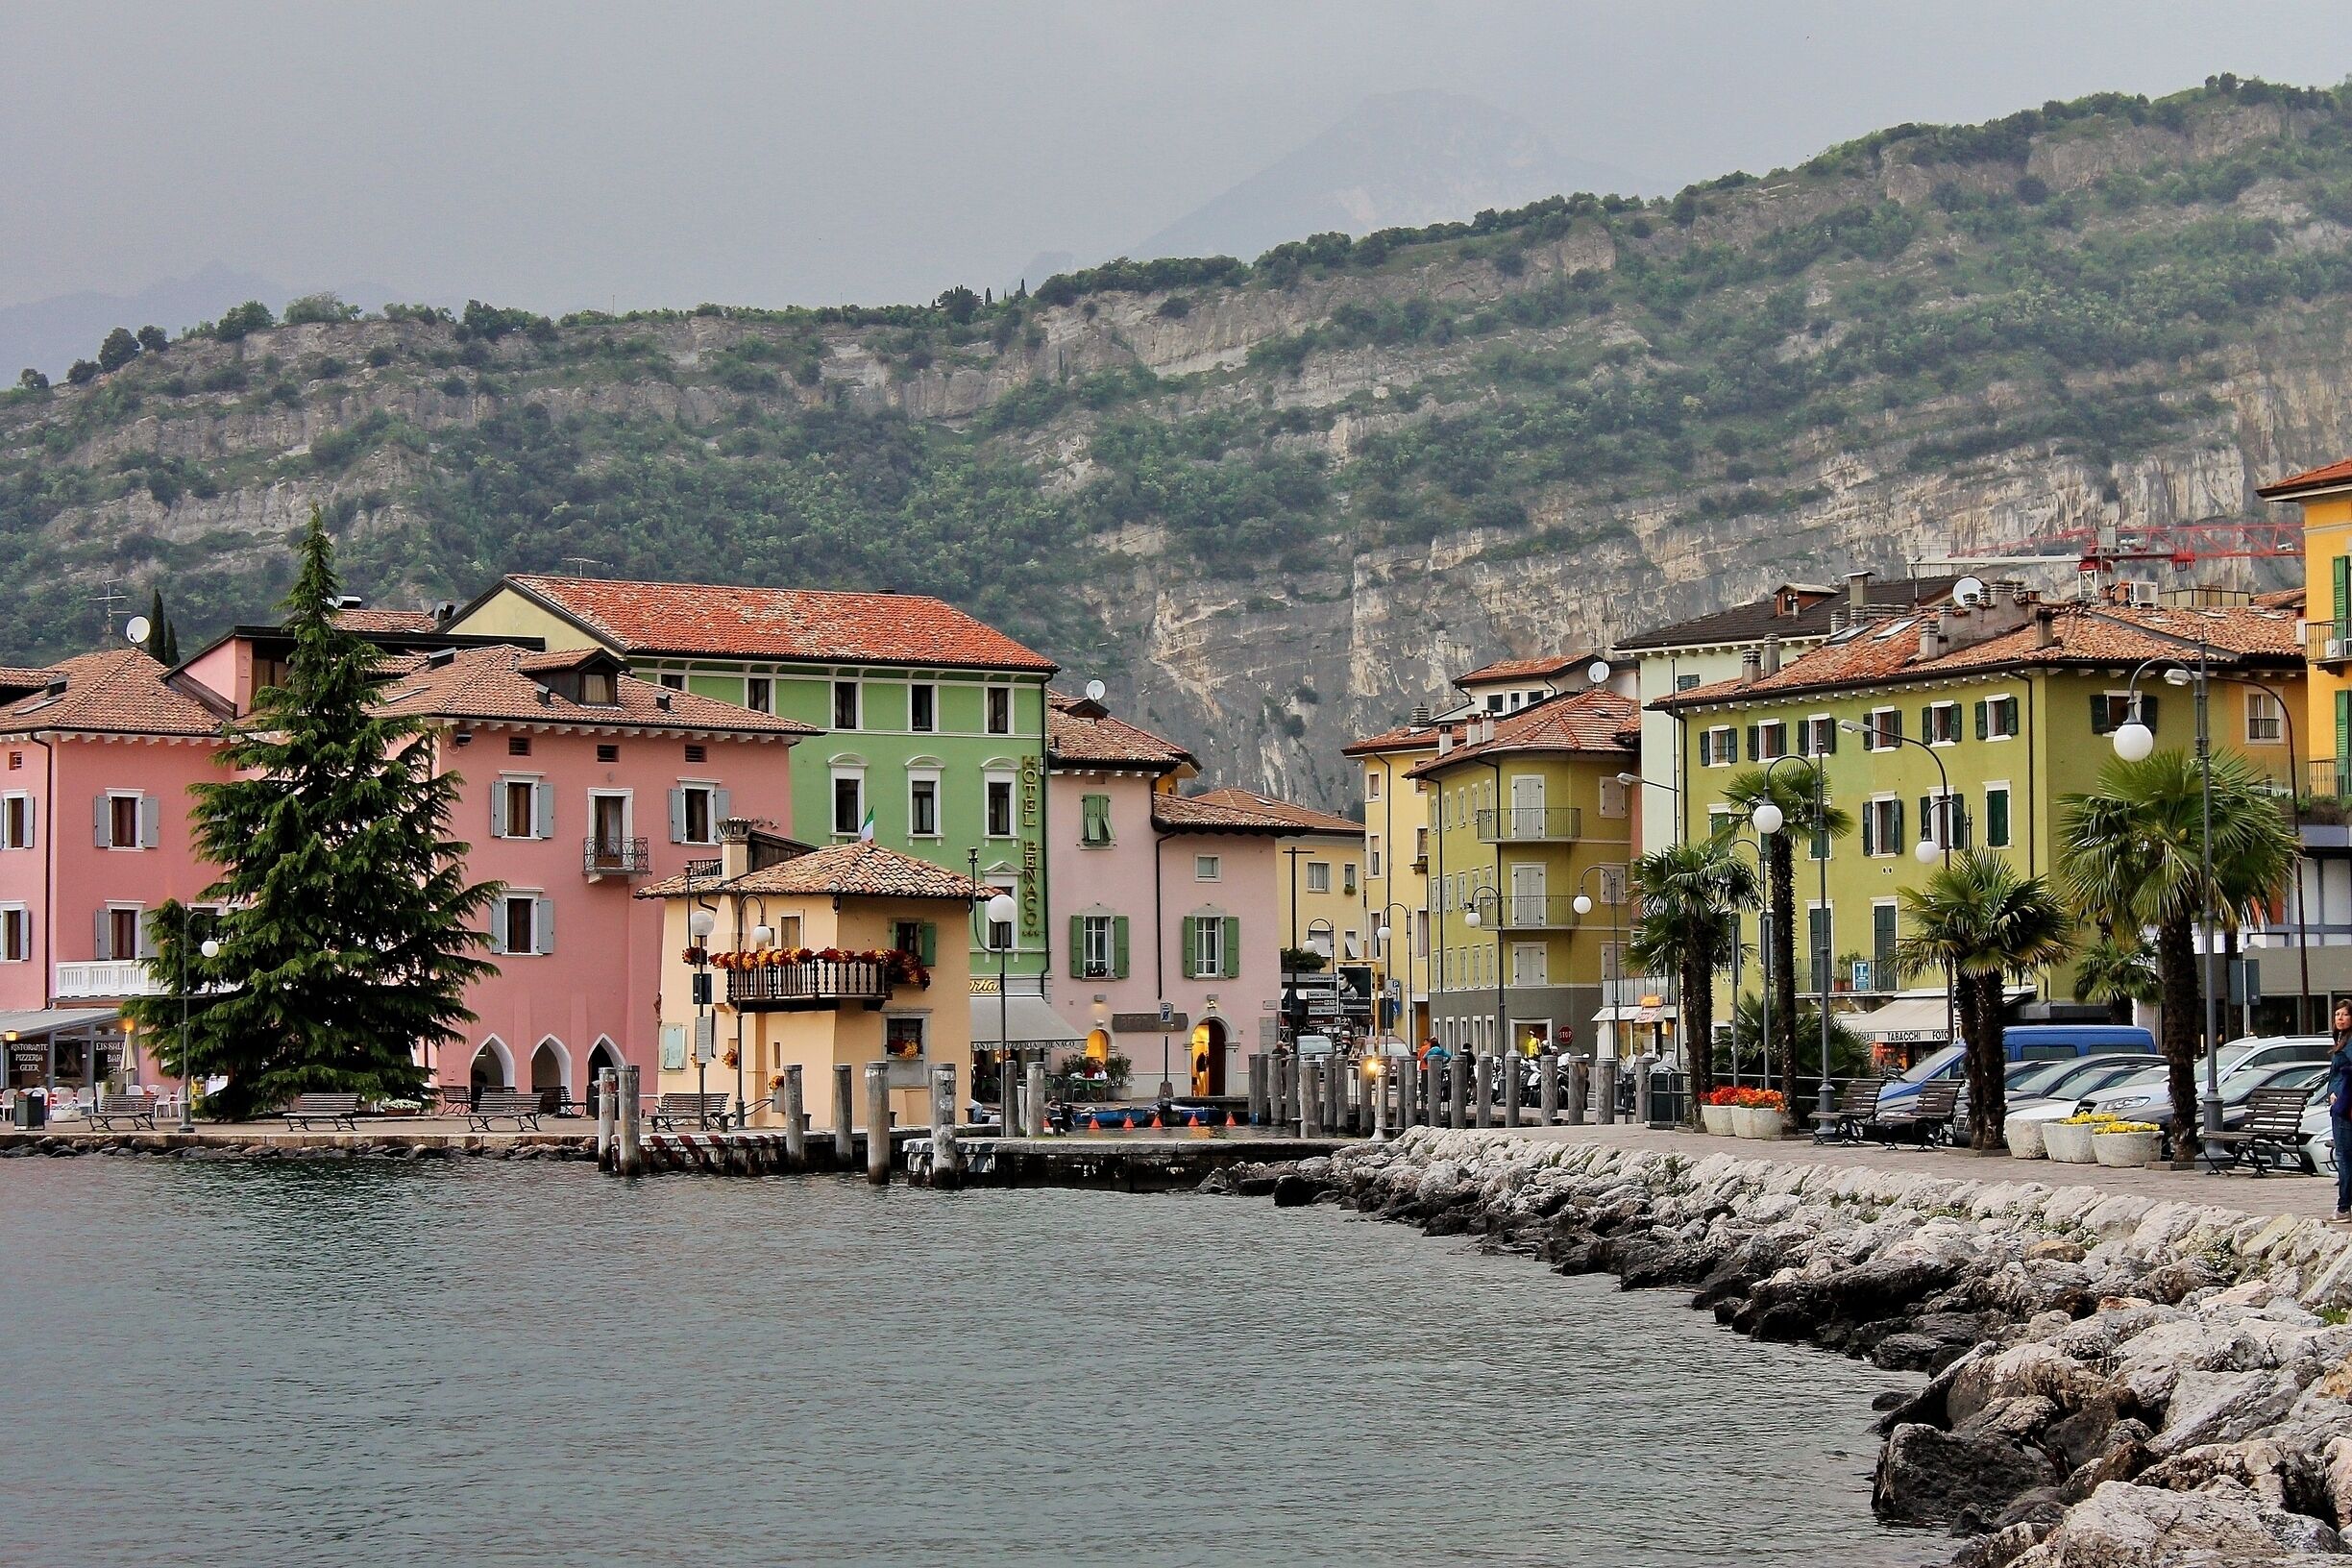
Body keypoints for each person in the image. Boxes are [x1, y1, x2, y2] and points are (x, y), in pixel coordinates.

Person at [2331, 999, 2352, 1223]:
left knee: (2345, 1158)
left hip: (2345, 1108)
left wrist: (2339, 1093)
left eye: (2345, 1014)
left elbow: (2343, 1074)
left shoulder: (2349, 1043)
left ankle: (2343, 1206)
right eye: (2337, 1014)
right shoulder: (2340, 1040)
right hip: (2341, 1104)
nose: (2340, 1018)